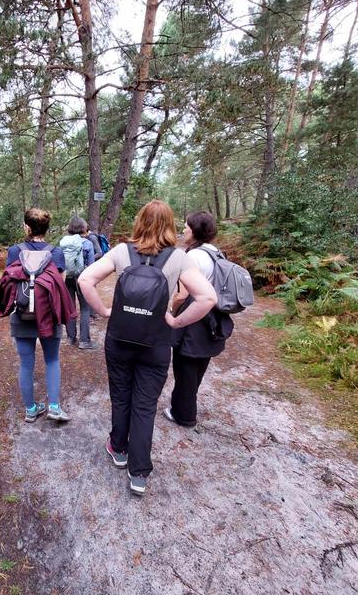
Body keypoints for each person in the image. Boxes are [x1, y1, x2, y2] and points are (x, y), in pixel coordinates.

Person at [78, 200, 217, 495]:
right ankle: (139, 473)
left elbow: (85, 279)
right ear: (169, 225)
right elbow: (207, 298)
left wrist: (104, 311)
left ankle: (118, 448)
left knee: (121, 396)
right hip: (155, 344)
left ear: (139, 222)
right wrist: (176, 323)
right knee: (144, 405)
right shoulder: (179, 258)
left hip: (119, 339)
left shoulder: (120, 252)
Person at [165, 211, 233, 428]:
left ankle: (183, 414)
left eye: (186, 226)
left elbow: (183, 294)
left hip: (194, 318)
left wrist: (172, 312)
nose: (183, 230)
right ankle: (186, 403)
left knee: (185, 365)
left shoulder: (192, 256)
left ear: (195, 231)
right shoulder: (216, 252)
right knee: (199, 365)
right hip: (213, 318)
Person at [4, 208, 72, 422]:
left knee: (26, 364)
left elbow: (9, 282)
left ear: (27, 227)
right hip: (49, 315)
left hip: (21, 314)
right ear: (47, 228)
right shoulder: (56, 252)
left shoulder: (15, 251)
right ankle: (53, 407)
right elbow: (60, 283)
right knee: (52, 360)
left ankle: (31, 410)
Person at [60, 216, 97, 349]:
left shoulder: (63, 242)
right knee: (85, 308)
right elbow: (92, 265)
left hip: (67, 278)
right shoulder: (87, 244)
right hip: (82, 279)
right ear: (83, 227)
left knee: (70, 307)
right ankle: (84, 341)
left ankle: (70, 338)